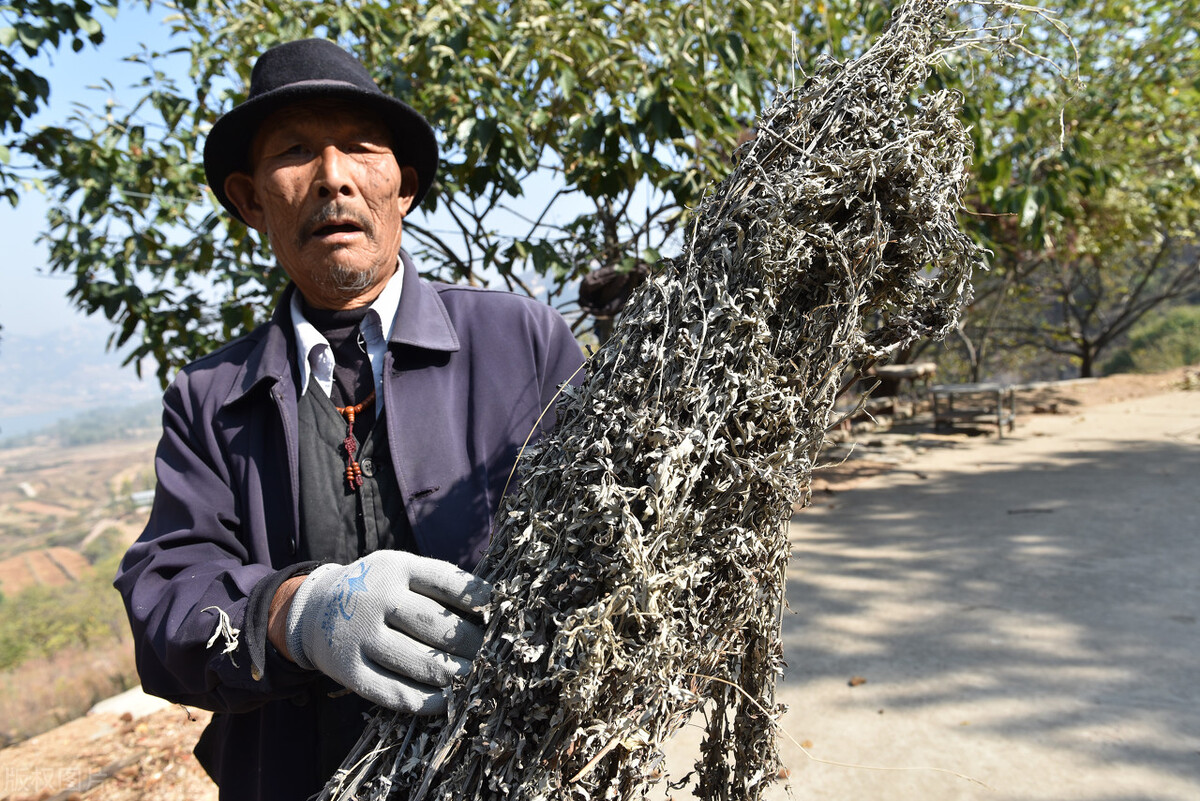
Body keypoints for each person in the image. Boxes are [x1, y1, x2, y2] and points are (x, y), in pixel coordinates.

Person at [114, 39, 584, 801]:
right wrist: (291, 614)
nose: (333, 175)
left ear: (403, 186)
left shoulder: (524, 342)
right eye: (296, 151)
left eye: (361, 147)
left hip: (514, 771)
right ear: (250, 198)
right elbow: (164, 597)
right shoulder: (207, 396)